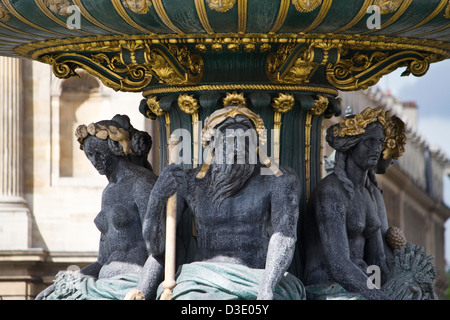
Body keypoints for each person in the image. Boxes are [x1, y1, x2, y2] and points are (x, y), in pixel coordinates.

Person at [141, 105, 305, 300]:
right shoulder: (189, 183)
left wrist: (267, 286)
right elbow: (156, 247)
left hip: (258, 276)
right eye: (229, 140)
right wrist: (157, 197)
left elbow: (284, 236)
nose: (238, 148)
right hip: (201, 280)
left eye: (246, 141)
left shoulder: (279, 180)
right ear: (212, 145)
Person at [36, 115, 161, 300]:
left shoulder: (143, 183)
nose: (94, 160)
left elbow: (159, 252)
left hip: (130, 283)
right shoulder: (108, 193)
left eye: (98, 153)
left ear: (116, 148)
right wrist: (62, 285)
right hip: (103, 283)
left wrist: (141, 291)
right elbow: (102, 261)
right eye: (89, 155)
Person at [303, 107, 394, 300]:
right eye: (369, 142)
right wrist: (379, 297)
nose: (377, 149)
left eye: (380, 142)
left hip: (362, 282)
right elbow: (338, 264)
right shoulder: (331, 192)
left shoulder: (370, 193)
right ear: (350, 145)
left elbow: (378, 259)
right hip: (326, 284)